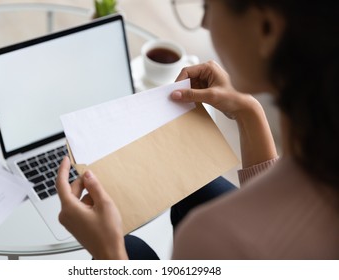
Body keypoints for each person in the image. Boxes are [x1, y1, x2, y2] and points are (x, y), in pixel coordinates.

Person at [56, 0, 339, 259]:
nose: (204, 24)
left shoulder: (211, 237)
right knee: (201, 186)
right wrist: (248, 111)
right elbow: (279, 215)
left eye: (207, 7)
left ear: (266, 29)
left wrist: (108, 253)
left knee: (129, 247)